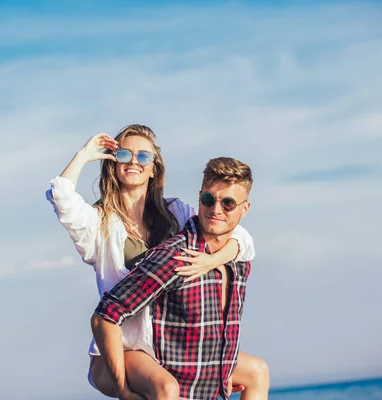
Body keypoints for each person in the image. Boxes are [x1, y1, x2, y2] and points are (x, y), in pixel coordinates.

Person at [46, 125, 269, 399]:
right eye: (124, 154)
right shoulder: (98, 223)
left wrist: (212, 260)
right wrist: (84, 154)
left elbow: (232, 231)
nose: (133, 162)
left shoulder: (174, 212)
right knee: (165, 388)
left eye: (143, 157)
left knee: (256, 371)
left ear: (154, 169)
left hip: (167, 347)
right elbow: (62, 199)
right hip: (124, 348)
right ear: (112, 163)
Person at [92, 156, 257, 400]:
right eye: (209, 200)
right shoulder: (176, 257)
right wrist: (123, 390)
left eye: (228, 203)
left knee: (258, 372)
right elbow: (104, 316)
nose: (216, 210)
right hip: (162, 378)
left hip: (202, 382)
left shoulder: (238, 260)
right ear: (199, 197)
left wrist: (222, 373)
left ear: (245, 208)